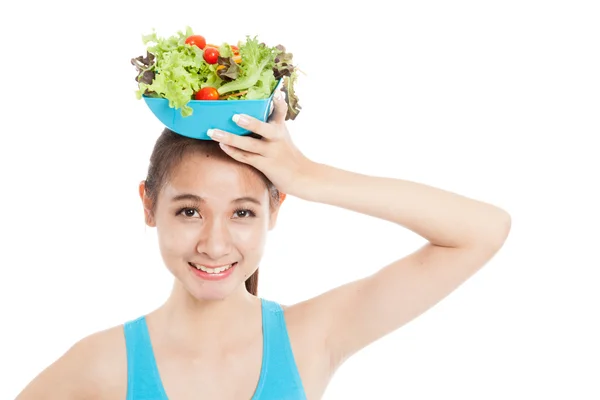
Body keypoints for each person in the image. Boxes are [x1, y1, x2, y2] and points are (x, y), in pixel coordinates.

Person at [16, 88, 511, 400]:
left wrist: (309, 176)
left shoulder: (310, 337)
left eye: (243, 212)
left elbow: (481, 231)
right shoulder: (102, 364)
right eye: (190, 211)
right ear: (149, 206)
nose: (214, 244)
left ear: (275, 210)